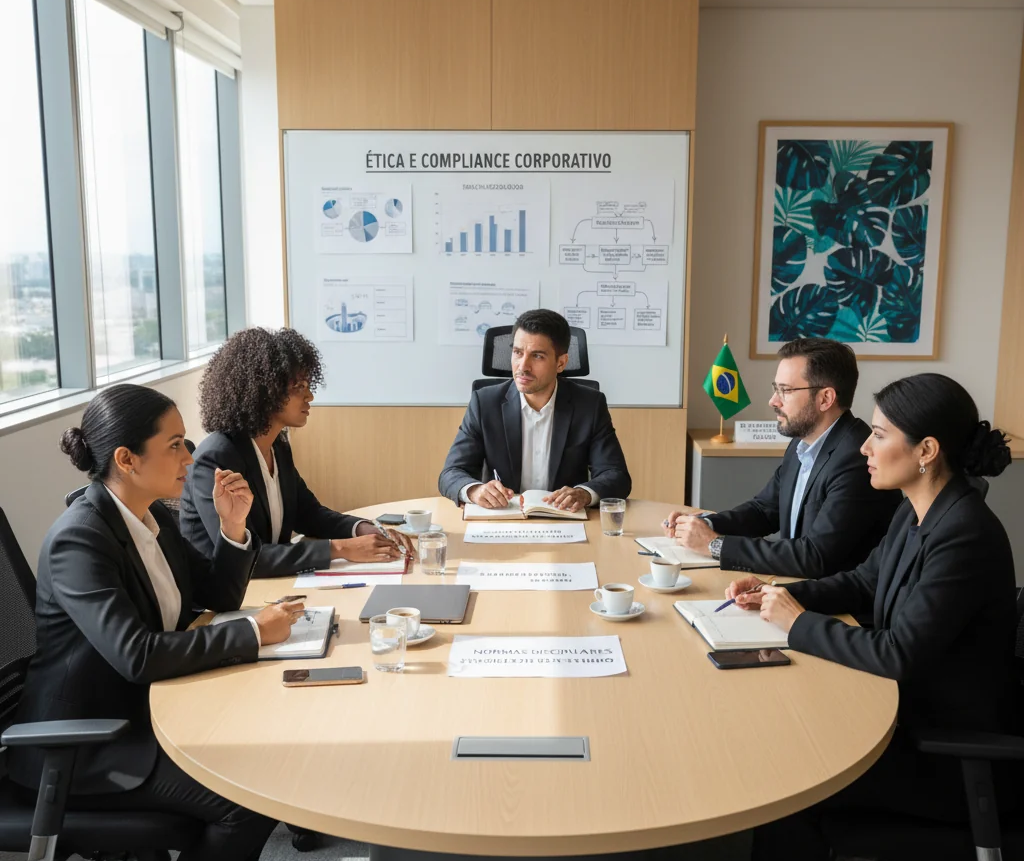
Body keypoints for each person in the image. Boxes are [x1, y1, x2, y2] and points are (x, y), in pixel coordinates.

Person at [717, 373, 1019, 861]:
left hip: (952, 756)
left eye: (878, 434)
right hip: (910, 714)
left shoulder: (963, 534)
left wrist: (797, 624)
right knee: (788, 737)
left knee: (790, 772)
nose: (862, 447)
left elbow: (899, 653)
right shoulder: (922, 510)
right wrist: (779, 594)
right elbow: (861, 582)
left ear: (926, 450)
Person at [8, 383, 303, 861]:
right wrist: (252, 636)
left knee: (271, 765)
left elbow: (214, 599)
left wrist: (233, 530)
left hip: (143, 713)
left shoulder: (152, 519)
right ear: (126, 459)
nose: (189, 459)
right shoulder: (79, 539)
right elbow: (138, 655)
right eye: (174, 446)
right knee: (247, 798)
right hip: (85, 745)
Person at [180, 328, 412, 579]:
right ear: (264, 390)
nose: (309, 396)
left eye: (307, 385)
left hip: (267, 586)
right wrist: (340, 548)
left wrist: (363, 529)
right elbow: (243, 556)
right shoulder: (216, 458)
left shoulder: (277, 446)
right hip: (220, 602)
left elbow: (308, 514)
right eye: (298, 386)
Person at [666, 338, 902, 578]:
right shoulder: (802, 443)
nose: (773, 401)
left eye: (785, 391)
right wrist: (706, 525)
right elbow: (764, 510)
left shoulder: (856, 459)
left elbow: (815, 557)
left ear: (825, 399)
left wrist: (714, 545)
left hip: (838, 605)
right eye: (775, 388)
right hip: (795, 588)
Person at [438, 309, 631, 510]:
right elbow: (451, 473)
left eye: (537, 356)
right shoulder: (485, 403)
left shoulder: (589, 405)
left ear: (561, 363)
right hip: (504, 519)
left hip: (564, 522)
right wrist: (474, 490)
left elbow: (616, 475)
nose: (523, 366)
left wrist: (584, 493)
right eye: (518, 352)